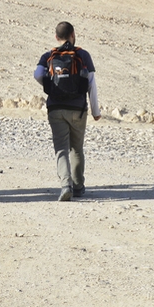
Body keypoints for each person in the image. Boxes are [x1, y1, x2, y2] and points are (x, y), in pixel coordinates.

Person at [33, 21, 101, 201]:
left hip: (55, 107)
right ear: (73, 34)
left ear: (56, 37)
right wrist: (95, 111)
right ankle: (78, 186)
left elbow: (38, 75)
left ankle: (65, 185)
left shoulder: (48, 55)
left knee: (61, 148)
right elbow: (91, 84)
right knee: (77, 148)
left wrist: (51, 85)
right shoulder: (83, 55)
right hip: (78, 108)